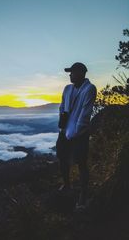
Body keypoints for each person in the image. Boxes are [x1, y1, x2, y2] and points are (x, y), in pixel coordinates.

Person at [57, 62, 97, 210]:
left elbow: (85, 115)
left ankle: (83, 194)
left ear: (80, 73)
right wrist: (62, 124)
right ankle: (67, 185)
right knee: (62, 157)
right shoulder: (67, 89)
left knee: (81, 163)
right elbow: (62, 106)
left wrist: (75, 133)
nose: (70, 75)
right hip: (65, 131)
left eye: (72, 72)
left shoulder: (89, 89)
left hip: (79, 134)